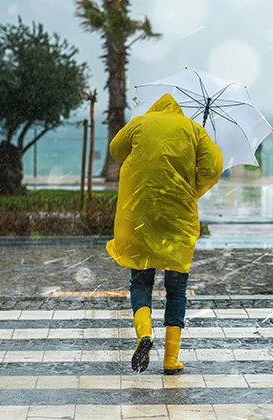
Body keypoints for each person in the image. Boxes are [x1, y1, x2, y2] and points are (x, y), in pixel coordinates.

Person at [106, 93, 223, 374]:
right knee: (176, 287)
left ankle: (144, 334)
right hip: (178, 217)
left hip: (141, 215)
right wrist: (191, 189)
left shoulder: (140, 123)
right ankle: (171, 359)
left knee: (141, 281)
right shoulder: (194, 130)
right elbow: (214, 167)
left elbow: (116, 150)